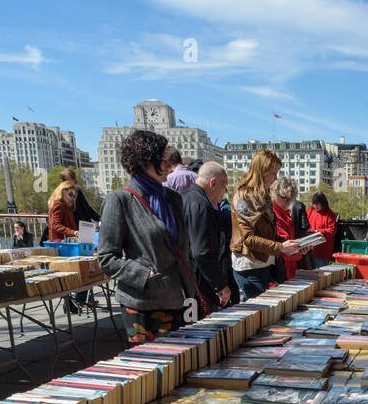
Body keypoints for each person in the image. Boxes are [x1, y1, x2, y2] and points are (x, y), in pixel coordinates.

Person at [96, 129, 200, 345]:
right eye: (162, 158)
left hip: (180, 299)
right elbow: (106, 257)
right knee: (154, 373)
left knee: (183, 366)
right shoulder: (120, 200)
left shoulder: (172, 198)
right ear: (145, 161)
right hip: (142, 304)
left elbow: (180, 246)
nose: (169, 164)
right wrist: (145, 275)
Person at [230, 150, 301, 300]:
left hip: (262, 263)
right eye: (273, 173)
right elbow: (248, 239)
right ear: (262, 171)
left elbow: (269, 232)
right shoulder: (244, 196)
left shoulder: (263, 195)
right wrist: (281, 247)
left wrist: (291, 246)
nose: (276, 179)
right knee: (256, 315)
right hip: (250, 265)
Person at [181, 161, 238, 310]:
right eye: (224, 185)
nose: (225, 191)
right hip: (200, 284)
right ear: (213, 183)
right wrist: (220, 285)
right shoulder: (201, 204)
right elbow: (201, 252)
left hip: (189, 281)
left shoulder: (184, 197)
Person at [271, 175, 312, 279]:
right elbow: (281, 247)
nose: (287, 202)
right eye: (284, 198)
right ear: (275, 194)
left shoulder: (286, 215)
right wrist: (298, 251)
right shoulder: (272, 214)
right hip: (277, 271)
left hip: (289, 268)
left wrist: (301, 248)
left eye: (290, 199)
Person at [306, 191, 338, 267]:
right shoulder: (310, 211)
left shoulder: (329, 214)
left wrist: (318, 231)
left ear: (323, 203)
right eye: (313, 203)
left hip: (322, 252)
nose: (315, 206)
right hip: (309, 251)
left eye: (317, 204)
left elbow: (332, 231)